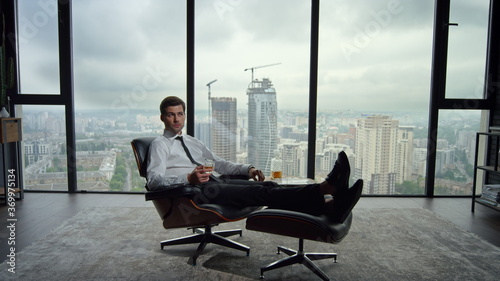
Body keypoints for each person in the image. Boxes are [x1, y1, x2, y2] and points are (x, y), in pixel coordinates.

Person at [147, 96, 362, 222]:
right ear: (162, 117)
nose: (176, 119)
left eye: (180, 114)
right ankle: (327, 188)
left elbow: (219, 163)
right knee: (263, 192)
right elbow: (154, 181)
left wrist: (247, 169)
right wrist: (188, 179)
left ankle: (329, 207)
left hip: (216, 182)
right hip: (195, 194)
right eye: (170, 115)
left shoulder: (192, 141)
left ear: (184, 115)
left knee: (267, 185)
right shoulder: (159, 145)